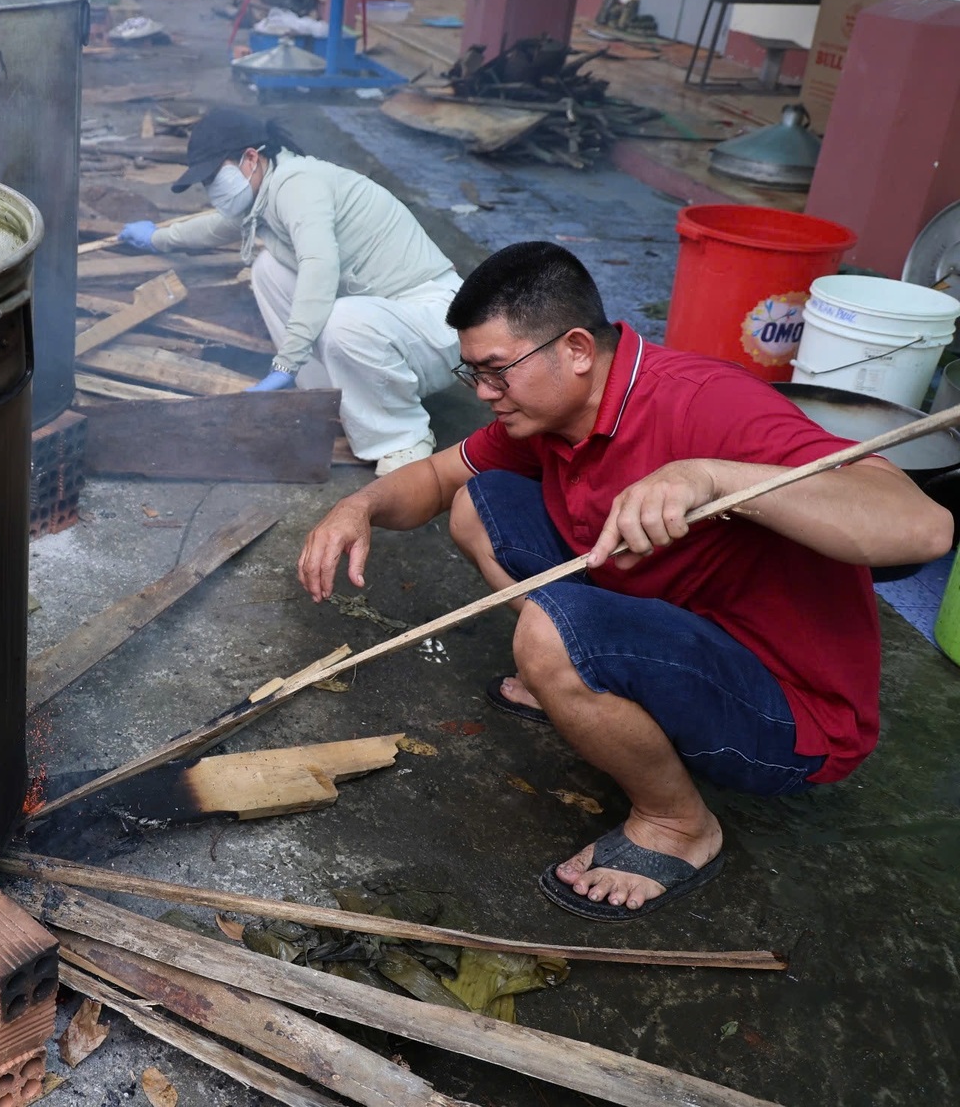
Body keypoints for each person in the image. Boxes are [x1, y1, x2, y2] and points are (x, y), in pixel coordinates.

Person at [297, 242, 951, 919]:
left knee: (550, 637)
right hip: (676, 626)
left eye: (497, 371)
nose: (485, 394)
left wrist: (711, 477)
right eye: (475, 374)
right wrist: (358, 506)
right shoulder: (545, 412)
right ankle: (580, 683)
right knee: (475, 505)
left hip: (788, 713)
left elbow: (924, 528)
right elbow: (438, 478)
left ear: (577, 349)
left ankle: (678, 824)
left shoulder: (708, 402)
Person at [118, 107, 462, 475]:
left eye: (214, 176)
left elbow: (319, 266)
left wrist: (287, 362)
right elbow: (218, 227)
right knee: (268, 268)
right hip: (390, 319)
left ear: (251, 158)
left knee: (342, 321)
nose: (211, 189)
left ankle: (403, 440)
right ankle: (335, 401)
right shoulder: (267, 189)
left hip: (437, 323)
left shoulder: (298, 184)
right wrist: (157, 238)